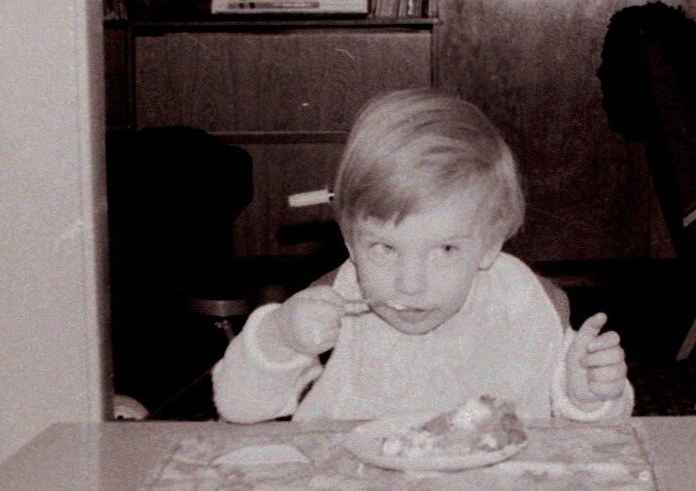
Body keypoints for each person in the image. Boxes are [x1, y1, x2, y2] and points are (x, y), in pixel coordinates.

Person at [213, 88, 633, 424]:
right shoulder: (332, 307)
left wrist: (587, 395)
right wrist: (281, 337)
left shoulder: (521, 302)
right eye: (384, 248)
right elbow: (237, 406)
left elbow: (590, 435)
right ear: (350, 241)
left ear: (489, 244)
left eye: (446, 249)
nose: (410, 284)